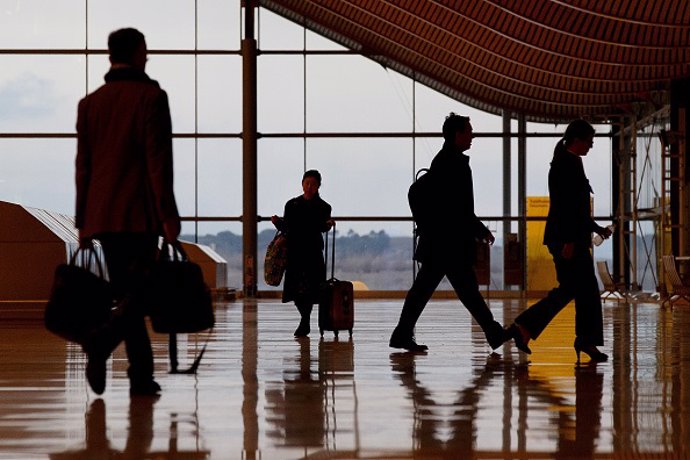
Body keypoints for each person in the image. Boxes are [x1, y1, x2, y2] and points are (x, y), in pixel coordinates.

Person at [75, 28, 181, 395]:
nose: (148, 56)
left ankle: (140, 373)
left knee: (128, 292)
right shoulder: (151, 98)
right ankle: (104, 342)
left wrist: (83, 220)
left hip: (102, 215)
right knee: (140, 294)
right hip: (140, 213)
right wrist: (168, 214)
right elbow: (158, 163)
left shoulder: (90, 104)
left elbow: (83, 166)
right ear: (137, 53)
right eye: (145, 50)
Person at [389, 113, 508, 352]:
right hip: (448, 244)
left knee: (434, 291)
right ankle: (493, 333)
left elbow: (453, 206)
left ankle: (402, 334)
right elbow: (459, 207)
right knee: (462, 291)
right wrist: (479, 229)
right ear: (458, 134)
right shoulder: (453, 164)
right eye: (469, 131)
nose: (472, 135)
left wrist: (477, 229)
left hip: (440, 242)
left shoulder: (443, 161)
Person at [506, 119, 612, 362]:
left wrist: (595, 228)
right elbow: (565, 207)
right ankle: (527, 328)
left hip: (570, 237)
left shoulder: (571, 161)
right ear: (577, 140)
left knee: (579, 290)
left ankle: (533, 330)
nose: (591, 146)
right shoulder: (565, 164)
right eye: (589, 141)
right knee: (578, 290)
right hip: (567, 239)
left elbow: (577, 208)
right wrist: (569, 241)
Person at [271, 170, 334, 336]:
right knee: (297, 290)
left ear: (318, 186)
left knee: (311, 289)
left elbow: (321, 227)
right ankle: (305, 319)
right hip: (295, 252)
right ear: (302, 184)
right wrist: (278, 223)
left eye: (313, 184)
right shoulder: (291, 205)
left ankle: (304, 321)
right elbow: (287, 228)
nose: (309, 187)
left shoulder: (324, 207)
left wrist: (328, 225)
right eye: (307, 183)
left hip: (312, 252)